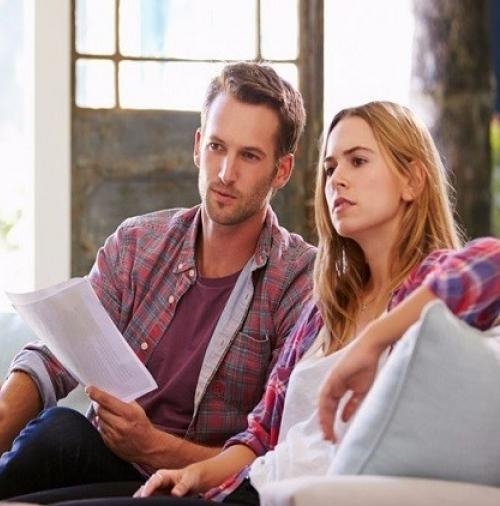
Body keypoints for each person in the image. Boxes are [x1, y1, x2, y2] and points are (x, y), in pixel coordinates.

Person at [123, 101, 500, 505]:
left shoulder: (429, 285)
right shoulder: (325, 307)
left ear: (412, 180)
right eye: (330, 168)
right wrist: (194, 475)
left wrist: (375, 340)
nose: (337, 180)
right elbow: (260, 437)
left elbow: (493, 262)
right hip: (248, 486)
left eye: (358, 161)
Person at [0, 62, 316, 500]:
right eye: (217, 147)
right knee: (57, 433)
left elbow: (278, 452)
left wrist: (153, 446)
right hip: (106, 464)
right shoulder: (138, 244)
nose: (225, 173)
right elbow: (53, 359)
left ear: (282, 170)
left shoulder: (299, 281)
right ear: (198, 146)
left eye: (249, 156)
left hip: (203, 490)